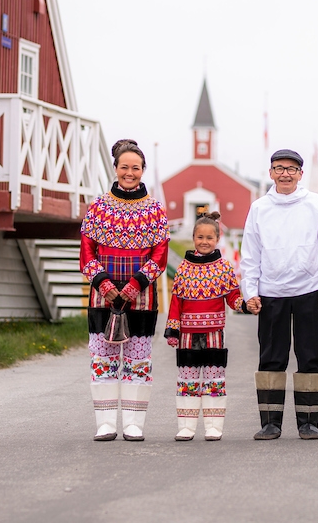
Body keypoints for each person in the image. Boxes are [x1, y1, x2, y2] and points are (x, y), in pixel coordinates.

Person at [240, 148, 318, 440]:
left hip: (308, 290)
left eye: (291, 168)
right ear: (270, 173)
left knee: (311, 355)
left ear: (300, 173)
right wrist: (251, 291)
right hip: (271, 291)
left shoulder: (315, 204)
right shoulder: (260, 207)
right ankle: (270, 423)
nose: (285, 173)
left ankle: (308, 423)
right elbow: (250, 254)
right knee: (271, 356)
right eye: (279, 168)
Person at [79, 139, 170, 441]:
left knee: (137, 361)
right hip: (101, 298)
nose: (129, 172)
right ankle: (105, 423)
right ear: (115, 168)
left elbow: (160, 255)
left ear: (143, 170)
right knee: (103, 359)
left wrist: (132, 287)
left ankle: (133, 424)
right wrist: (105, 285)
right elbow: (86, 253)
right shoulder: (98, 207)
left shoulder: (155, 210)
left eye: (135, 167)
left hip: (141, 299)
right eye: (124, 167)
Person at [163, 211, 243, 441]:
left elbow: (232, 297)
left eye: (209, 237)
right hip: (187, 335)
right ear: (193, 238)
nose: (204, 242)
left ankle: (213, 427)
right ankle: (186, 427)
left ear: (217, 239)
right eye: (200, 237)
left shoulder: (224, 268)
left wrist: (245, 305)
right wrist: (173, 330)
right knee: (187, 380)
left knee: (214, 380)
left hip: (214, 334)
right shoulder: (184, 268)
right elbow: (176, 301)